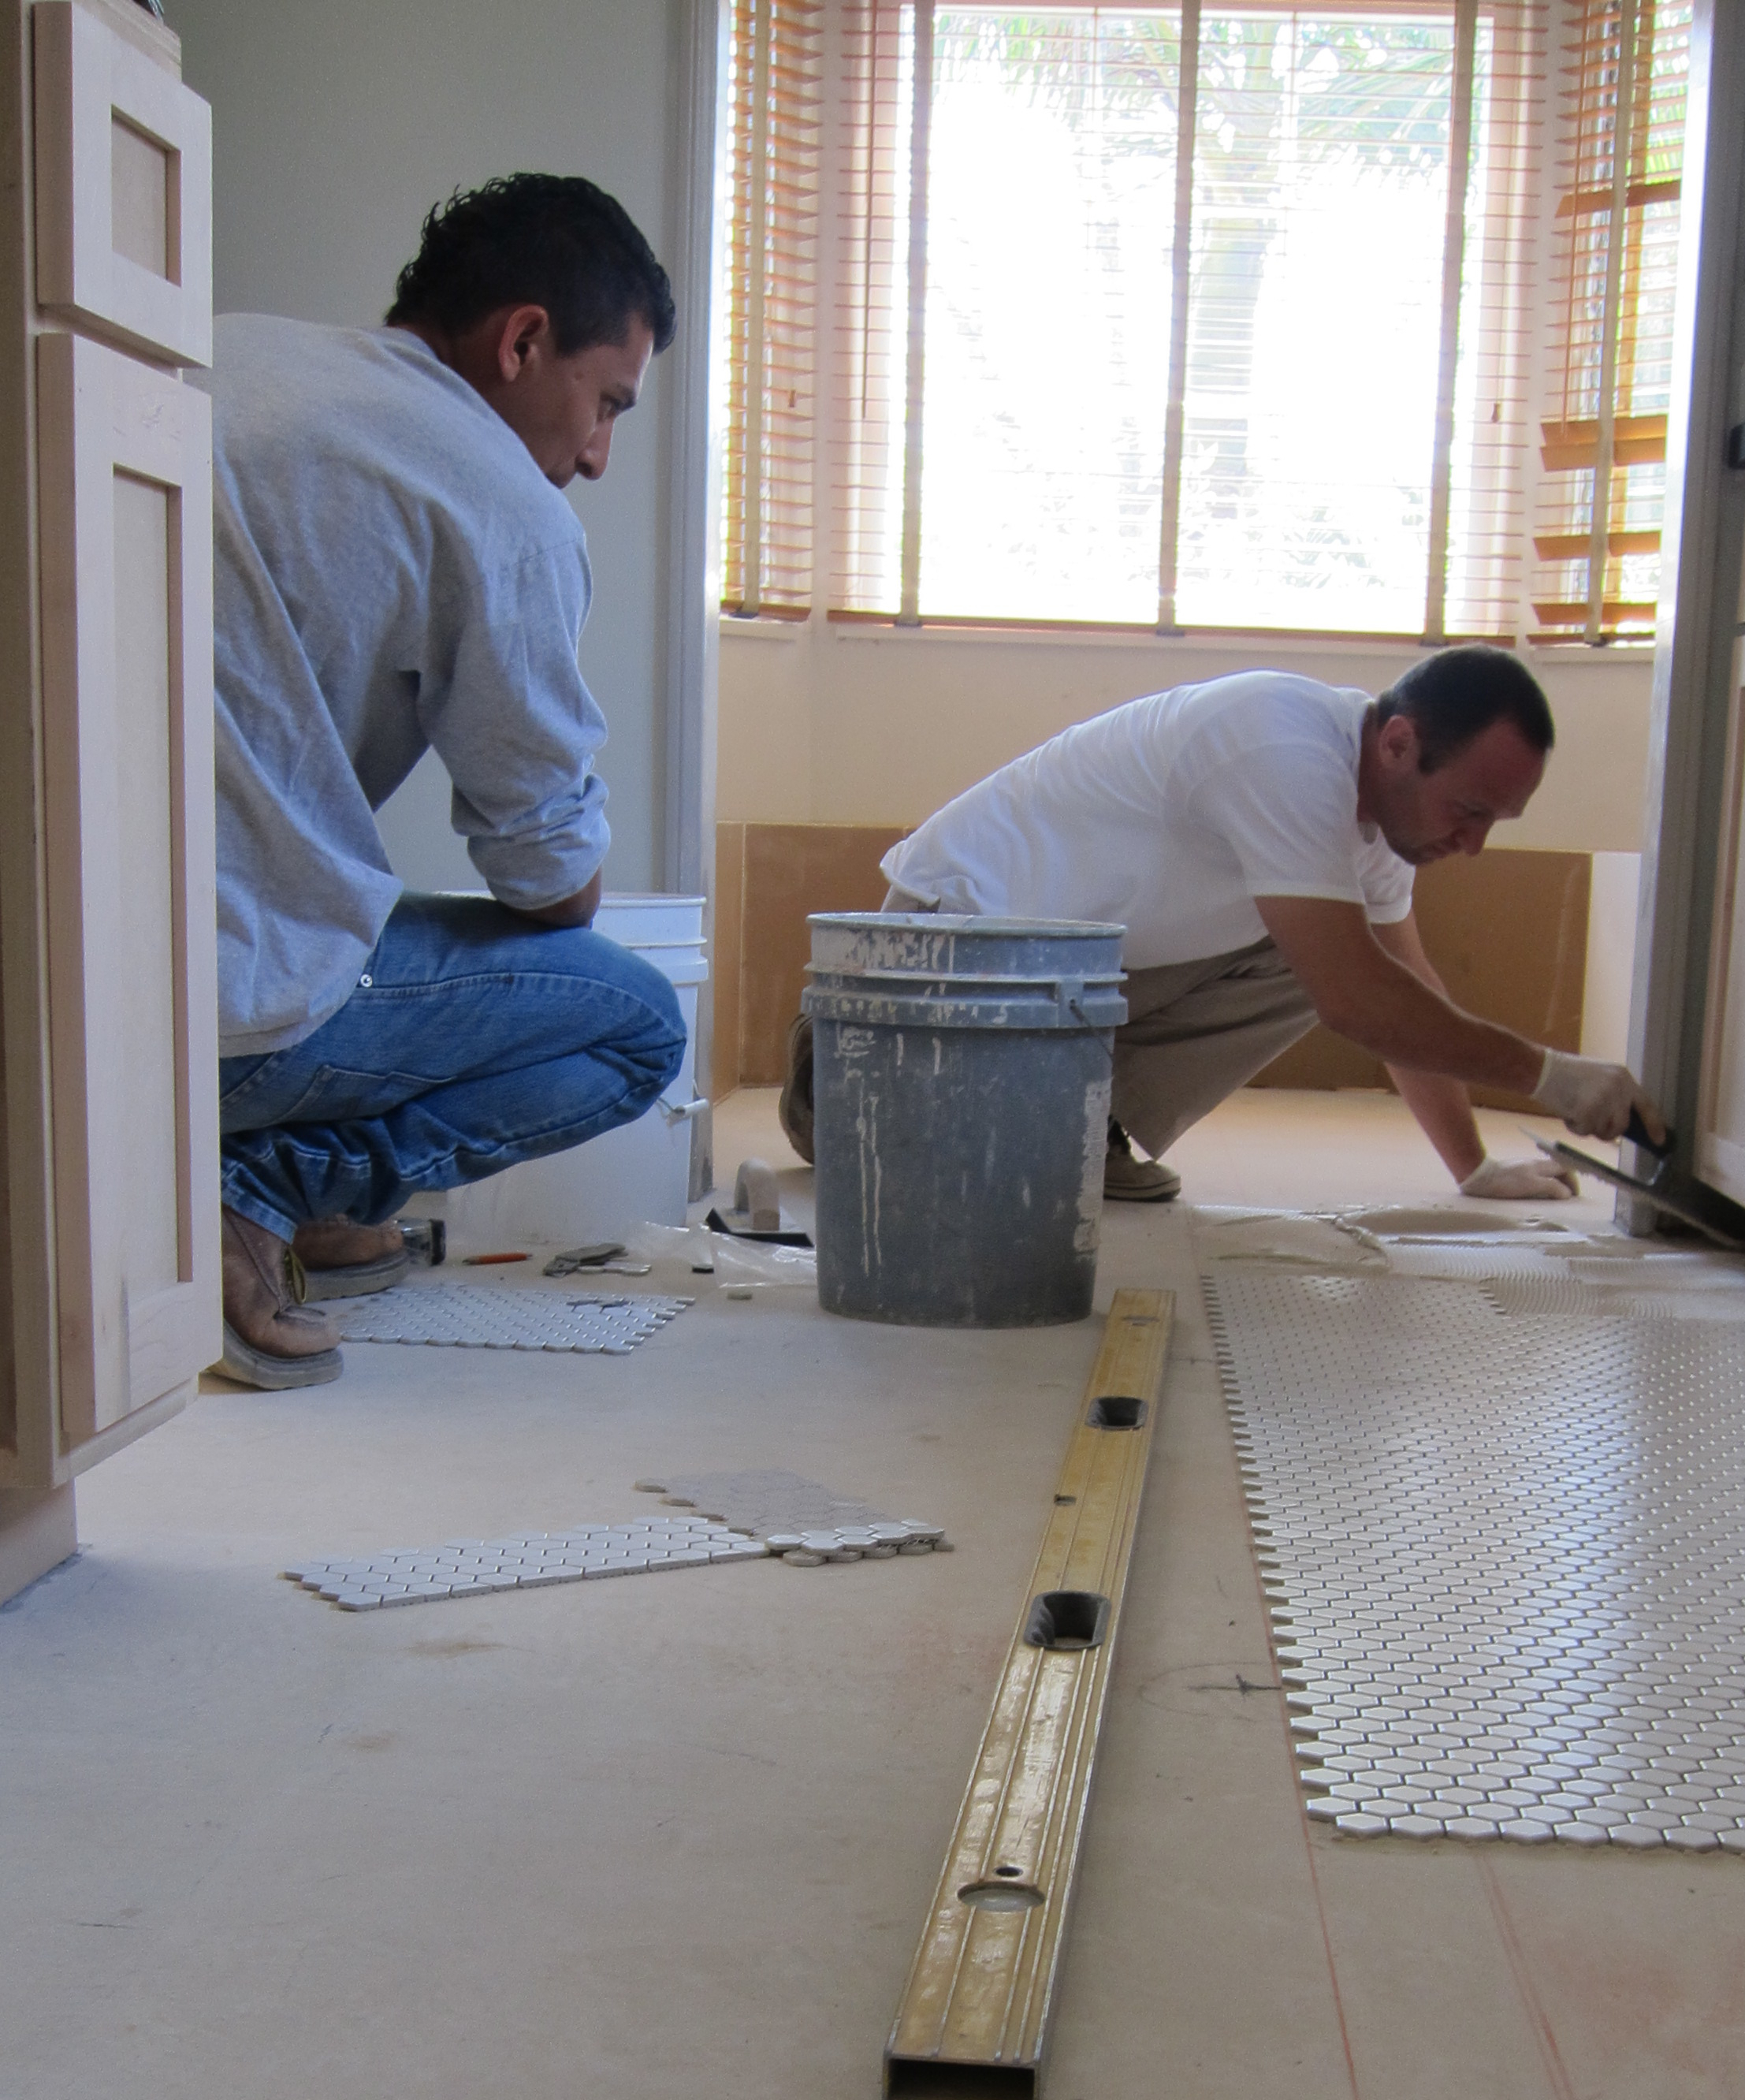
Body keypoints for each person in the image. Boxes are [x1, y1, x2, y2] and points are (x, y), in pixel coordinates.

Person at [207, 174, 688, 1387]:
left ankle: (269, 1191)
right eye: (606, 403)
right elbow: (550, 883)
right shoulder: (499, 502)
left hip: (60, 1003)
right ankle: (250, 1189)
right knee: (636, 1023)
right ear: (523, 339)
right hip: (219, 1017)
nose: (596, 454)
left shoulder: (211, 356)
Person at [778, 649, 1662, 1202]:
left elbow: (1404, 993)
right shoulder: (1277, 744)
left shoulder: (1386, 826)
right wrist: (1548, 1077)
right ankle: (841, 1082)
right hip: (941, 955)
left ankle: (1076, 1132)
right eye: (1468, 810)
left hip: (1055, 980)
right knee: (888, 1166)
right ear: (1395, 744)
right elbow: (1357, 1000)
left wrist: (1471, 1168)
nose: (1470, 846)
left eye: (1492, 825)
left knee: (1331, 955)